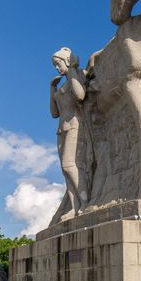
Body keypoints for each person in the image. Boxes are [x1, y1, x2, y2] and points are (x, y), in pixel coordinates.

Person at [50, 47, 88, 219]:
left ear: (67, 60)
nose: (57, 68)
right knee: (65, 170)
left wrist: (72, 70)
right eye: (55, 65)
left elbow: (80, 95)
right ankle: (75, 206)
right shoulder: (61, 86)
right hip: (61, 128)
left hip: (75, 124)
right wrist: (52, 89)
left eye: (58, 64)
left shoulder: (78, 75)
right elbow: (54, 113)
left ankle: (85, 201)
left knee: (69, 165)